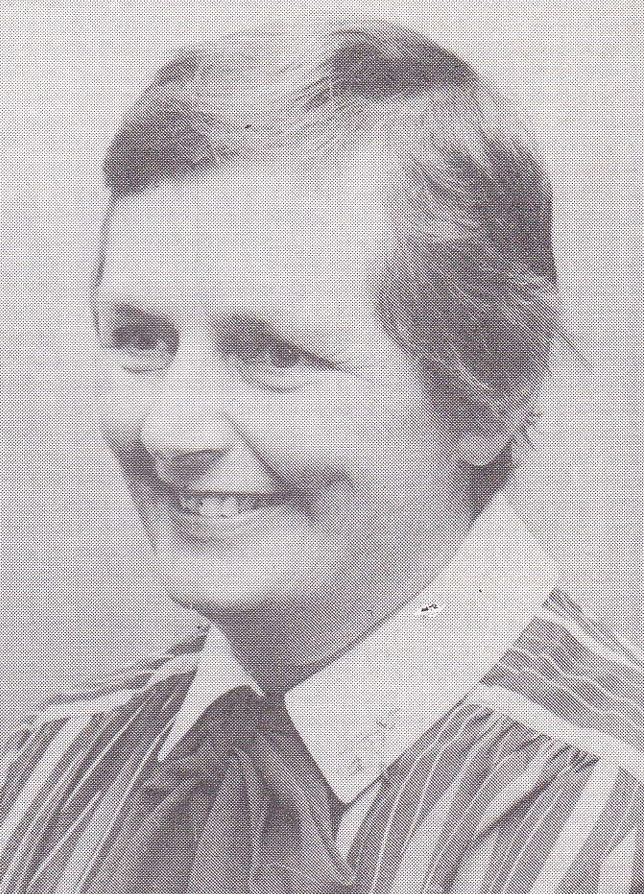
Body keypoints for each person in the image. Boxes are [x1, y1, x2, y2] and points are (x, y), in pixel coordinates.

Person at [0, 16, 641, 894]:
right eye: (140, 338)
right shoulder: (42, 772)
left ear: (487, 391)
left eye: (273, 353)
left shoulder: (610, 820)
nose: (170, 433)